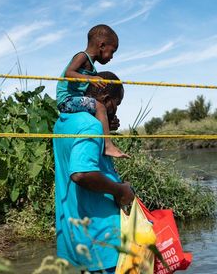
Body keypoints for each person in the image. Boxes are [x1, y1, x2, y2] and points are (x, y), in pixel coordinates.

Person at [53, 71, 134, 273]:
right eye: (116, 103)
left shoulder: (62, 123)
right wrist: (120, 190)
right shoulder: (91, 125)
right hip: (102, 236)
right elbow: (81, 173)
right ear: (106, 100)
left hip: (78, 233)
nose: (116, 110)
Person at [56, 24, 128, 159]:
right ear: (102, 46)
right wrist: (90, 78)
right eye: (112, 51)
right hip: (66, 100)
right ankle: (108, 145)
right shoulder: (82, 56)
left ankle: (106, 135)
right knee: (99, 106)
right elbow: (69, 73)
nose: (112, 57)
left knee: (98, 108)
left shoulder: (92, 68)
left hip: (75, 100)